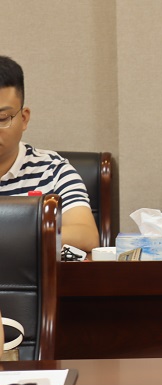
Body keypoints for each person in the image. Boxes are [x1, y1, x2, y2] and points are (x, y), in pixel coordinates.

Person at [0, 56, 99, 252]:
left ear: (24, 119)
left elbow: (87, 236)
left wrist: (13, 237)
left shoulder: (53, 171)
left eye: (2, 118)